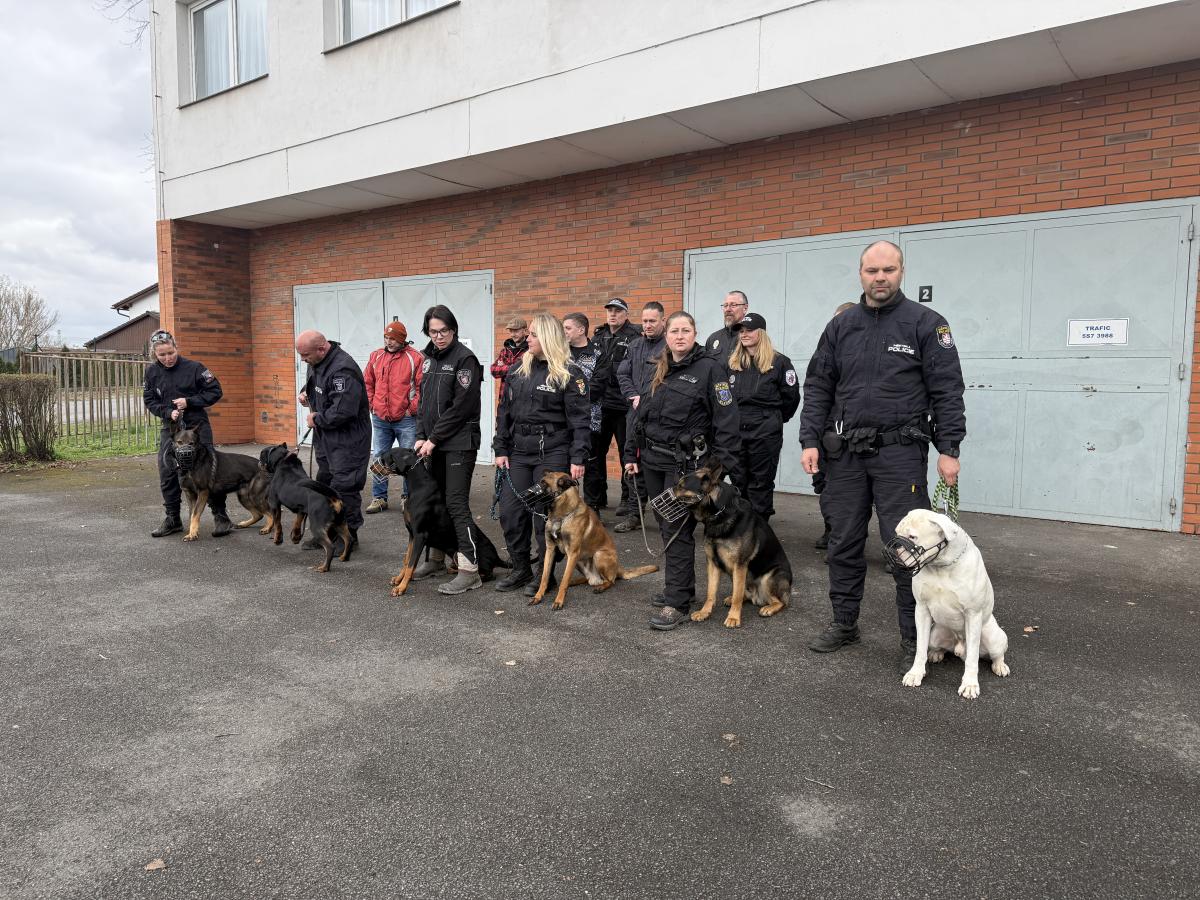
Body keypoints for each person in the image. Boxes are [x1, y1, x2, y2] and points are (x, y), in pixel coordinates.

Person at [799, 240, 966, 667]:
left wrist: (949, 448)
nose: (880, 278)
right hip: (845, 456)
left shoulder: (926, 324)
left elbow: (947, 390)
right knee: (843, 541)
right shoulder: (841, 326)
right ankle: (844, 623)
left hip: (900, 455)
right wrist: (810, 440)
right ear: (860, 274)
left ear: (901, 272)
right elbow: (817, 386)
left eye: (888, 270)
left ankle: (914, 639)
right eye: (872, 271)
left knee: (908, 548)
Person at [624, 311, 741, 631]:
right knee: (666, 526)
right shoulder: (656, 366)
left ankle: (677, 601)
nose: (679, 336)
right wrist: (630, 453)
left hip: (685, 468)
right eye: (674, 331)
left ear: (694, 334)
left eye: (685, 330)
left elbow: (728, 421)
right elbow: (639, 415)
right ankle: (682, 589)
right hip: (652, 461)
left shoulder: (711, 369)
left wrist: (717, 469)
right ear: (667, 335)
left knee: (676, 529)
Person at [493, 314, 591, 593]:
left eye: (534, 334)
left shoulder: (570, 373)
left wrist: (578, 457)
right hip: (519, 451)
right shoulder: (517, 369)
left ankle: (544, 575)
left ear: (548, 338)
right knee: (510, 512)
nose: (528, 338)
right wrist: (500, 447)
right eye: (529, 334)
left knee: (542, 516)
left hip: (552, 451)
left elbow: (580, 420)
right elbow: (504, 411)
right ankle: (521, 569)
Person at [412, 304, 486, 595]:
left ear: (453, 330)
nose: (439, 336)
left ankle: (469, 570)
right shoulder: (428, 358)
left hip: (458, 443)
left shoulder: (465, 360)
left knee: (456, 504)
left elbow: (461, 407)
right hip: (433, 443)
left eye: (444, 331)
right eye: (433, 332)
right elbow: (423, 402)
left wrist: (434, 438)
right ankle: (436, 560)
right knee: (437, 502)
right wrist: (421, 435)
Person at [142, 329, 226, 537]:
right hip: (171, 430)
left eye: (171, 352)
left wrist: (190, 402)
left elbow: (215, 391)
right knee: (167, 471)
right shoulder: (152, 373)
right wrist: (166, 412)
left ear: (176, 348)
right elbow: (150, 400)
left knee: (209, 472)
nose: (168, 358)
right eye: (162, 355)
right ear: (154, 354)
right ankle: (173, 519)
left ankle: (221, 517)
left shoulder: (195, 368)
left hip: (197, 427)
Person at [296, 329, 371, 551]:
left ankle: (348, 538)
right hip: (326, 438)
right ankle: (326, 533)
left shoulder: (343, 369)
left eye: (305, 355)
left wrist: (317, 418)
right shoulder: (317, 360)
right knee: (325, 484)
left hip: (348, 440)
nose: (303, 360)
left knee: (345, 487)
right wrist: (306, 393)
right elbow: (316, 383)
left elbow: (343, 411)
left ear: (321, 349)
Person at [725, 312, 800, 522]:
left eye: (749, 330)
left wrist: (773, 420)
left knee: (761, 481)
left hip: (765, 430)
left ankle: (758, 527)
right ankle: (741, 524)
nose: (744, 334)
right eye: (741, 331)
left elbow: (791, 398)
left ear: (762, 333)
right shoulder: (731, 363)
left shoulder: (780, 362)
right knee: (738, 479)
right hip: (737, 430)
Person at [614, 301, 667, 533]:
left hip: (660, 417)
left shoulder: (669, 347)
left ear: (663, 321)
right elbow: (622, 373)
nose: (647, 325)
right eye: (644, 321)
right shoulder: (635, 345)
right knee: (632, 464)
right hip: (635, 413)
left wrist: (651, 401)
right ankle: (635, 515)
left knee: (658, 465)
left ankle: (667, 518)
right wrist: (632, 395)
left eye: (652, 321)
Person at [585, 298, 641, 519]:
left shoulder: (635, 336)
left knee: (625, 453)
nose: (613, 314)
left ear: (626, 314)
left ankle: (627, 498)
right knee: (597, 452)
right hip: (601, 404)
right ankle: (599, 495)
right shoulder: (599, 336)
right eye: (610, 311)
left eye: (618, 311)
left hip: (623, 405)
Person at [812, 302, 858, 551]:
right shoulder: (827, 351)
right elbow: (816, 392)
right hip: (829, 433)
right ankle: (832, 531)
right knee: (827, 488)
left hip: (855, 434)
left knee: (853, 494)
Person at [364, 320, 423, 514]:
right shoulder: (376, 356)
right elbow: (367, 383)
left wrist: (411, 410)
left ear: (402, 339)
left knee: (409, 459)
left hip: (406, 420)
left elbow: (422, 388)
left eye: (393, 339)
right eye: (386, 337)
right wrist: (372, 404)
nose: (389, 342)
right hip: (380, 418)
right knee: (379, 457)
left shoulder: (415, 358)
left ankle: (408, 498)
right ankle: (379, 498)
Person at [704, 290, 749, 359]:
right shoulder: (713, 338)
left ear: (745, 308)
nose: (728, 309)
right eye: (725, 305)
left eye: (733, 305)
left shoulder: (751, 336)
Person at [489, 316, 528, 389]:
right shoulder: (505, 350)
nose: (512, 334)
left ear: (525, 331)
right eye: (511, 331)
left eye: (516, 331)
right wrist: (512, 368)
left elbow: (527, 372)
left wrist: (503, 367)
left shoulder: (530, 350)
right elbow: (493, 370)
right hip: (505, 393)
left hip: (523, 393)